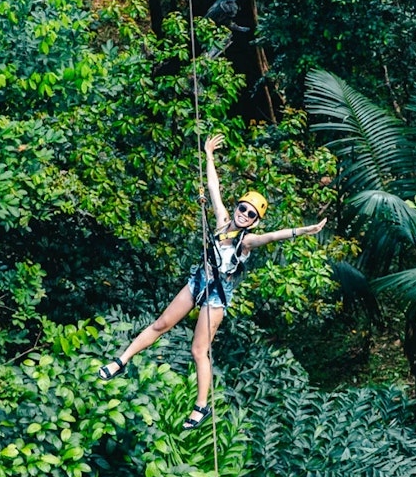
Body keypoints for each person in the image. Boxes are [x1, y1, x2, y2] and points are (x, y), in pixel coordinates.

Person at [97, 133, 327, 430]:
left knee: (197, 350)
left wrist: (304, 230)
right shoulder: (221, 223)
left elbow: (274, 236)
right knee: (160, 325)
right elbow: (214, 188)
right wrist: (208, 154)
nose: (245, 215)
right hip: (198, 282)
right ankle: (121, 361)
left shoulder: (247, 241)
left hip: (217, 295)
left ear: (255, 221)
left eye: (251, 214)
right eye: (243, 208)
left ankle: (201, 406)